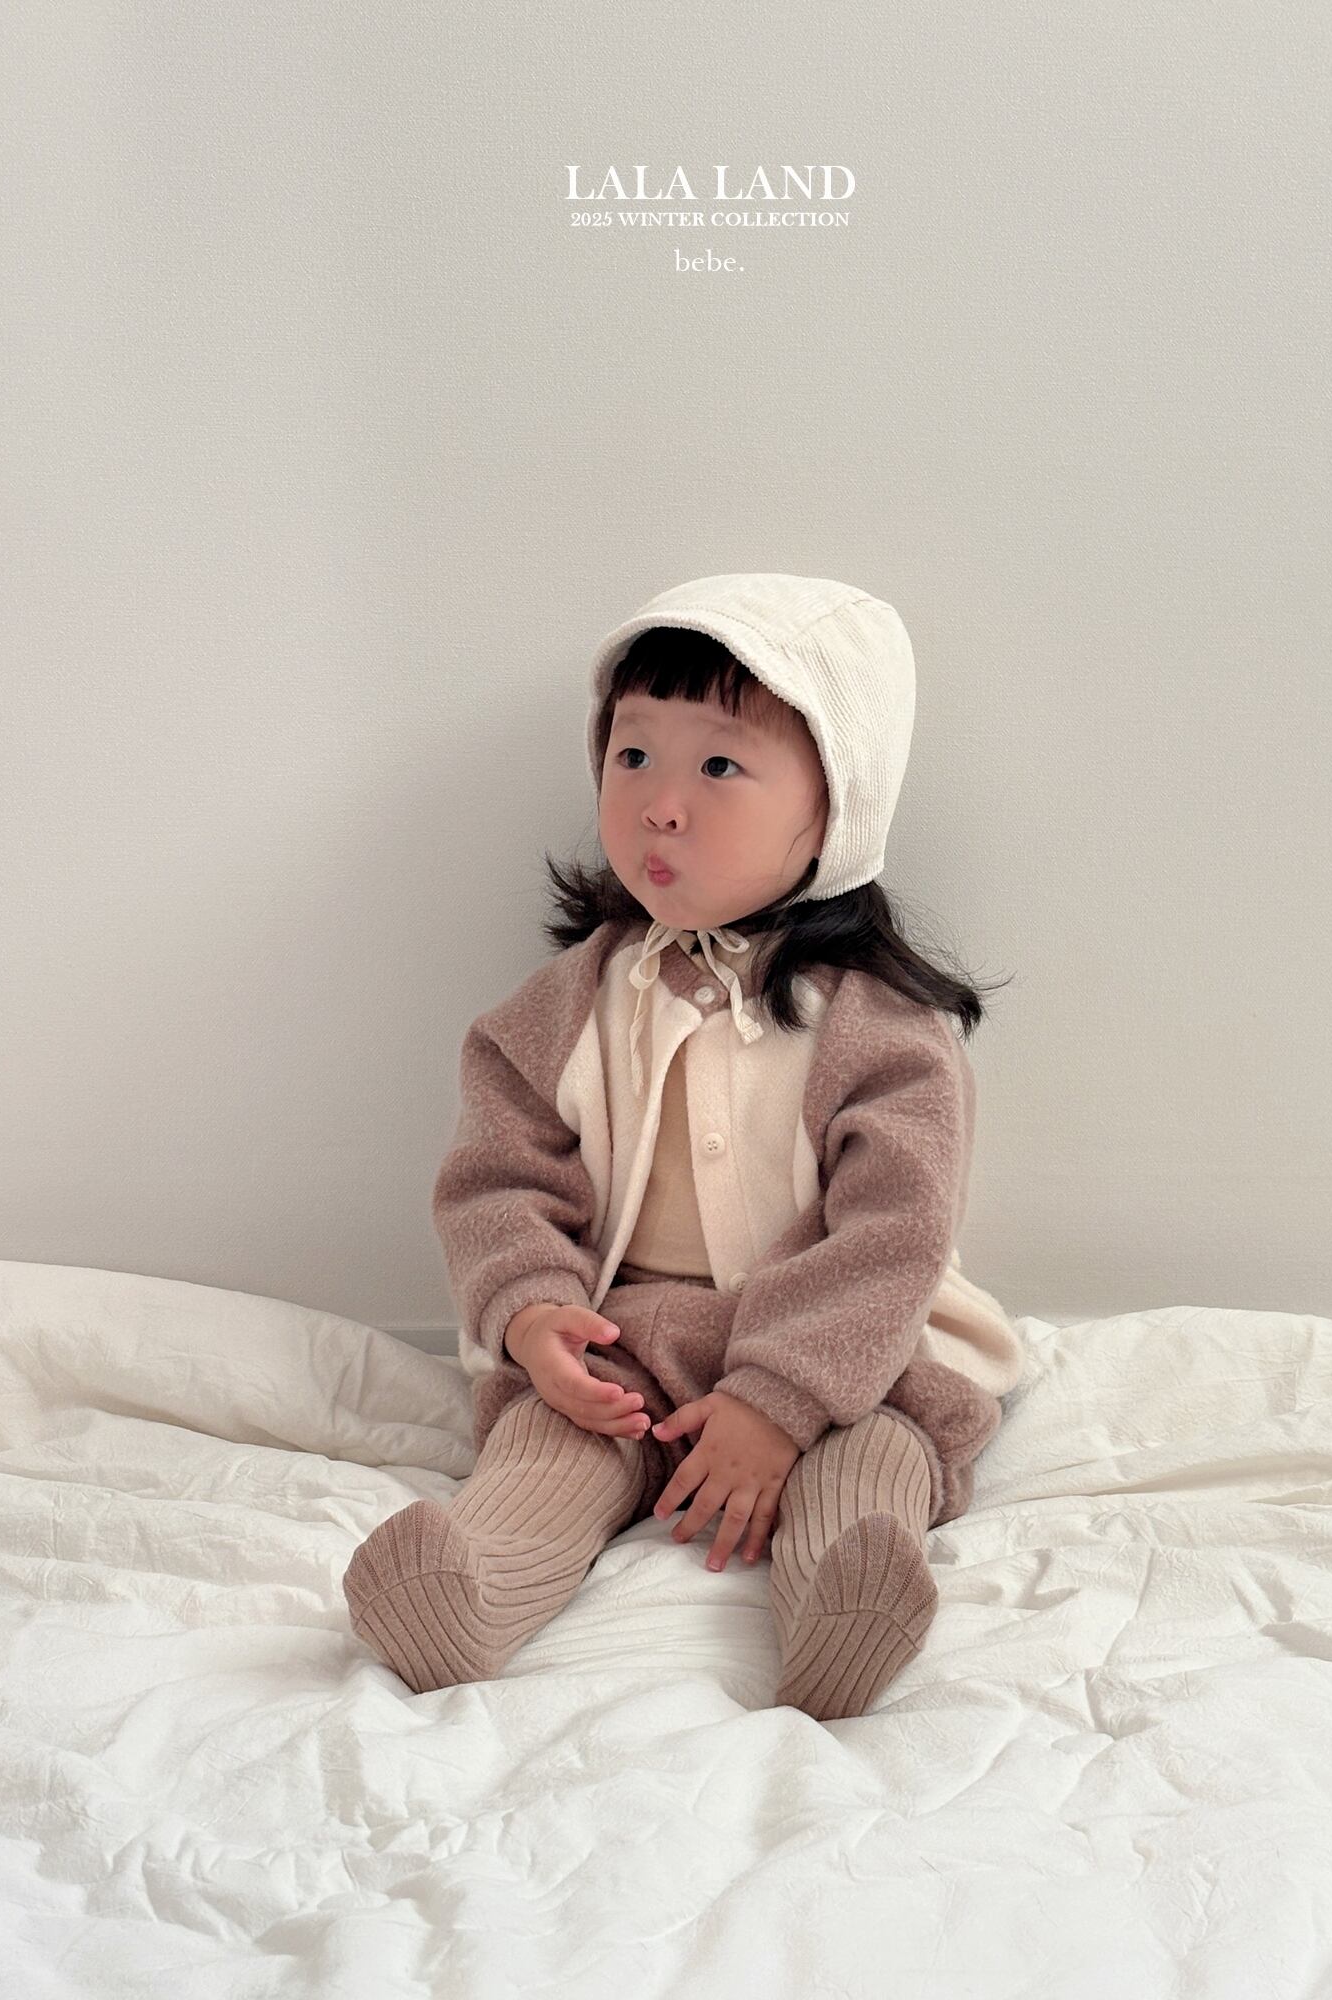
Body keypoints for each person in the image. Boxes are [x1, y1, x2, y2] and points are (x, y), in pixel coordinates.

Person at [344, 571, 1025, 1720]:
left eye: (718, 765)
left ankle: (846, 1595)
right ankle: (471, 1584)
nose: (660, 805)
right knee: (556, 1437)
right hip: (634, 1335)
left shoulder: (876, 1027)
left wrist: (781, 1399)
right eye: (633, 755)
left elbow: (894, 1230)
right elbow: (500, 1177)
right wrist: (534, 1310)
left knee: (875, 1441)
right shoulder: (571, 1003)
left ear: (839, 800)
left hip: (843, 1343)